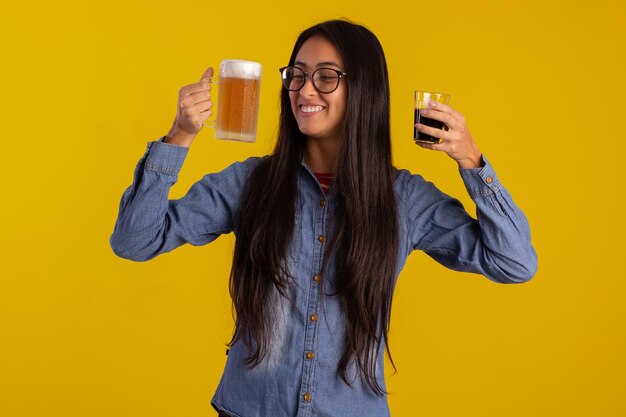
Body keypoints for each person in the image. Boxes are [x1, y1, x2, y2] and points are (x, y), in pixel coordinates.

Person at [110, 19, 537, 417]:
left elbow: (514, 262)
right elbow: (135, 241)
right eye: (297, 75)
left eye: (326, 76)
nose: (305, 90)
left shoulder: (404, 198)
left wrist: (472, 160)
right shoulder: (249, 182)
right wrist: (179, 135)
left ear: (364, 90)